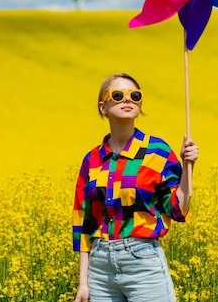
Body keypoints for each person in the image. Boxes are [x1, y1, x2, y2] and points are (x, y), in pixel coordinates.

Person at [73, 73, 199, 302]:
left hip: (142, 260)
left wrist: (187, 166)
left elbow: (177, 209)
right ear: (103, 107)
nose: (128, 100)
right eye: (118, 95)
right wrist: (83, 282)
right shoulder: (92, 160)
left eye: (135, 96)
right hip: (100, 269)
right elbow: (83, 222)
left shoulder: (157, 151)